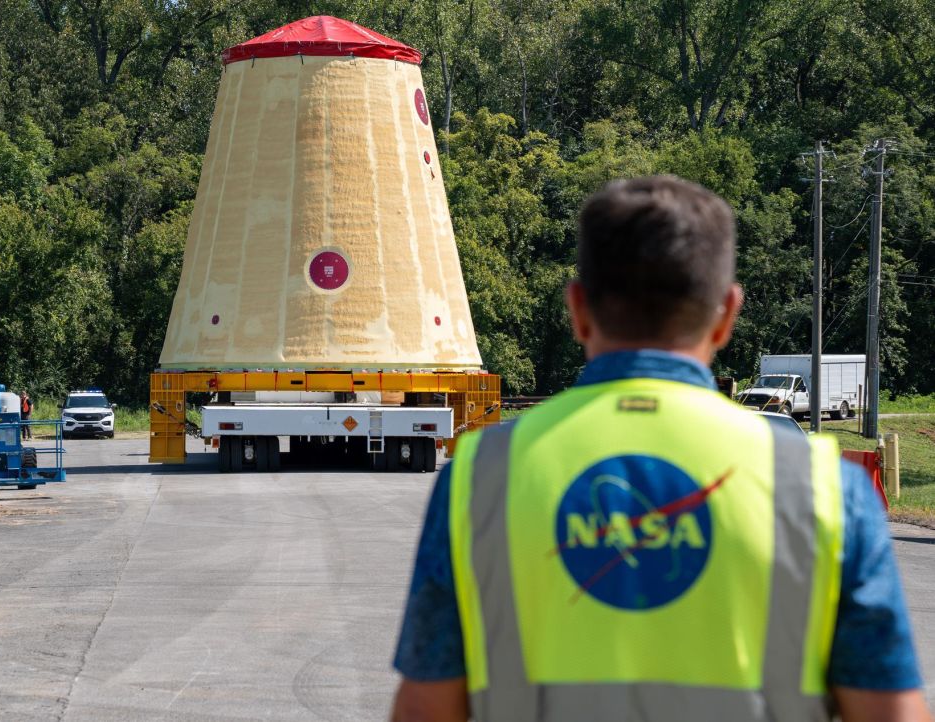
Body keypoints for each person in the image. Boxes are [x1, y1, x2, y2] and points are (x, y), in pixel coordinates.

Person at [391, 176, 931, 722]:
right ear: (726, 314)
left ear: (578, 309)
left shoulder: (480, 478)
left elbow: (424, 709)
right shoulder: (821, 488)